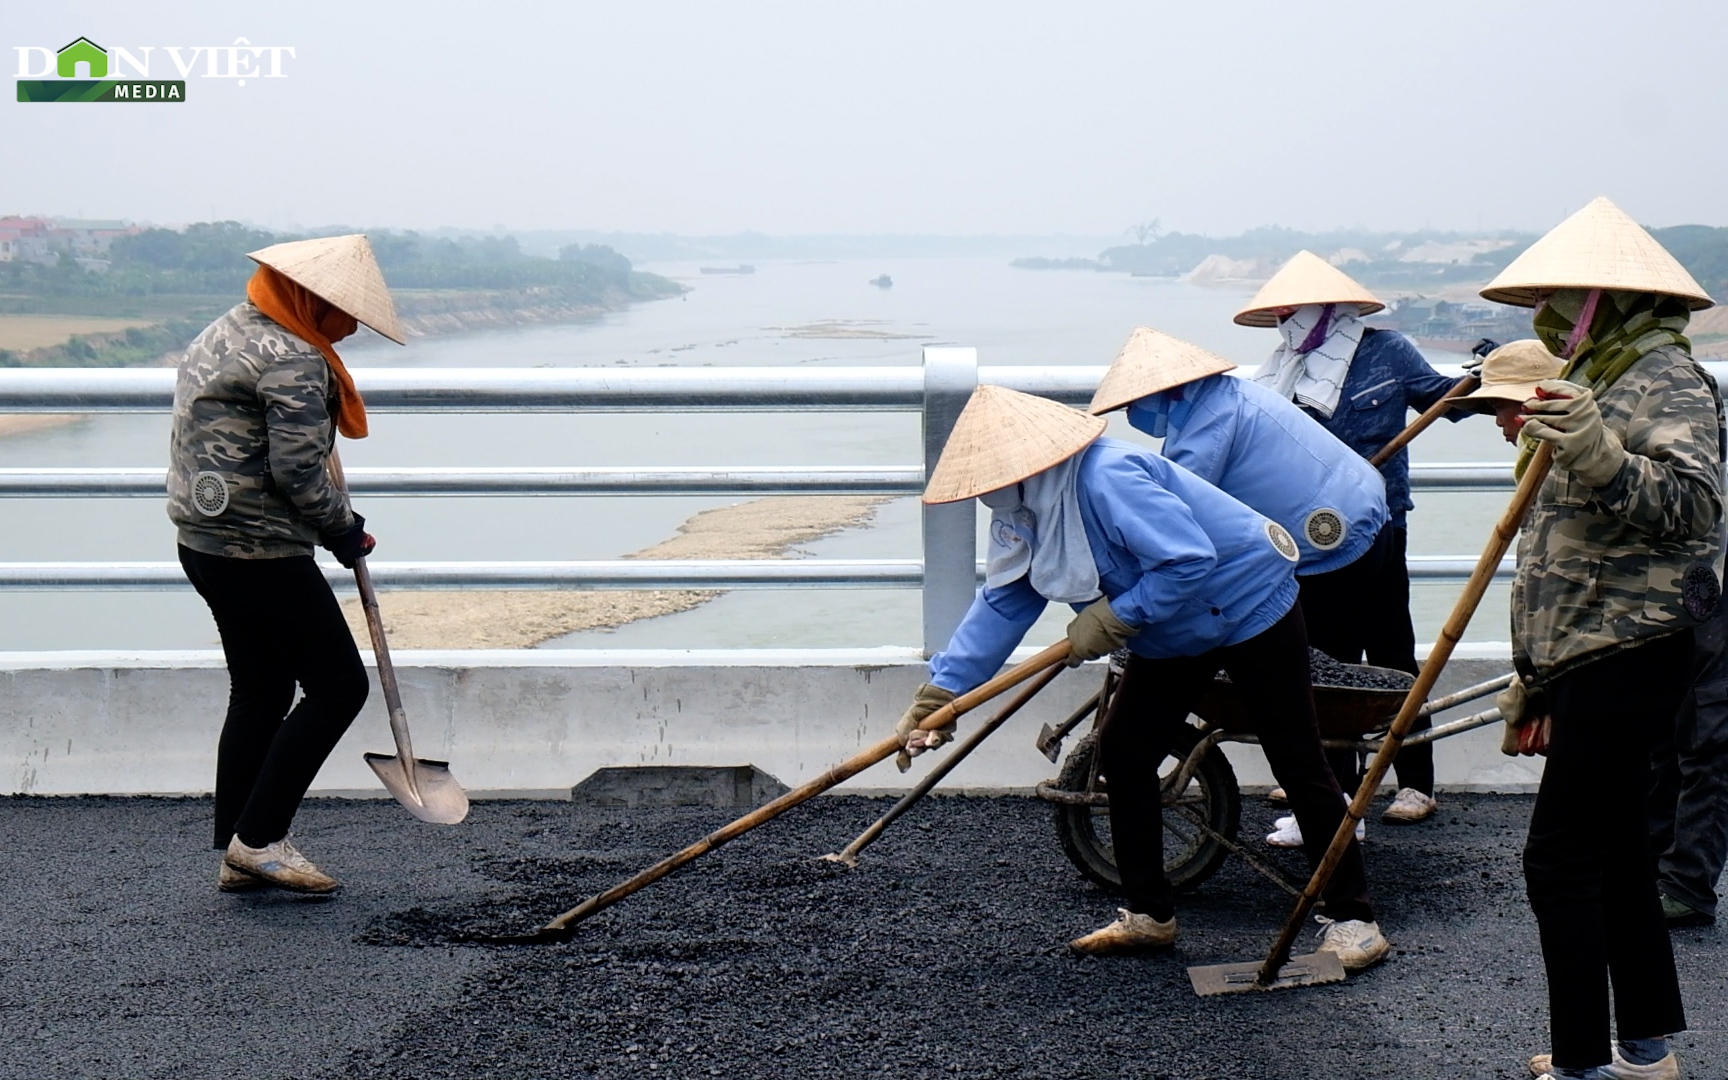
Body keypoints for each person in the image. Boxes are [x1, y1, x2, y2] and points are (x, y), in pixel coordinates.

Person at [896, 384, 1387, 970]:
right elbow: (1004, 602)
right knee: (1125, 754)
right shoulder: (1021, 510)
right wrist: (942, 693)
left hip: (1249, 602)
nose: (984, 491)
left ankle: (1356, 920)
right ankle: (1150, 914)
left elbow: (1188, 560)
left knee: (1298, 759)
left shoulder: (1109, 477)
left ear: (1027, 460)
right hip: (1171, 628)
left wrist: (1113, 616)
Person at [1482, 198, 1723, 1080]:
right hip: (1589, 651)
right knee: (1620, 854)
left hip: (1635, 646)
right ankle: (1647, 1050)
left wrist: (1602, 454)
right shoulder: (1606, 377)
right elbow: (1563, 545)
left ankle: (1582, 1064)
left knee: (1558, 862)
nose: (1549, 315)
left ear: (1604, 301)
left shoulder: (1663, 378)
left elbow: (1695, 507)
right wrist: (1534, 674)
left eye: (1563, 298)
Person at [168, 234, 406, 895]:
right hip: (259, 549)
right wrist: (345, 531)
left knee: (263, 689)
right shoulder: (295, 359)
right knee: (338, 687)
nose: (349, 328)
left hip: (203, 539)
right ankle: (260, 840)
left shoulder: (229, 328)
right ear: (312, 300)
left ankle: (239, 847)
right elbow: (298, 471)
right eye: (342, 314)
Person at [1086, 327, 1388, 843]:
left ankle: (1333, 810)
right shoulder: (1225, 398)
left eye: (1139, 400)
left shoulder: (1209, 422)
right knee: (1312, 685)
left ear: (1169, 389)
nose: (1137, 411)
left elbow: (1174, 515)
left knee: (1310, 689)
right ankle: (1330, 803)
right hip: (1350, 513)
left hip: (1333, 541)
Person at [1237, 251, 1464, 823]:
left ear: (1327, 307)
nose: (1289, 317)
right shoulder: (1281, 367)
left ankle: (1415, 781)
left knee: (1391, 651)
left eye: (1297, 307)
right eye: (1282, 310)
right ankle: (1330, 785)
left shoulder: (1387, 351)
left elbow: (1441, 398)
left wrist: (1488, 380)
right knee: (1322, 658)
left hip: (1380, 525)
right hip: (1310, 539)